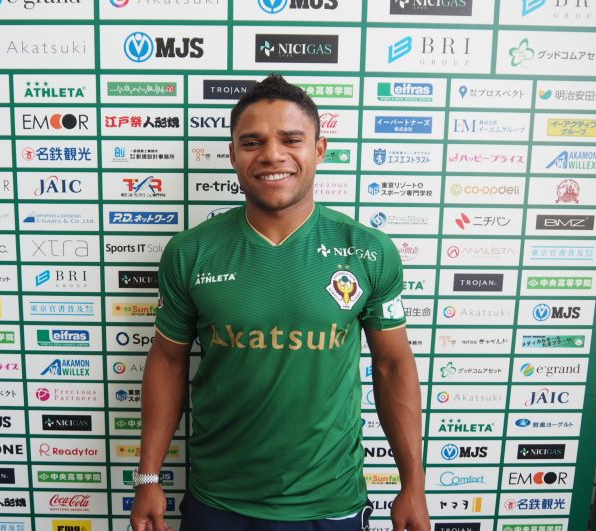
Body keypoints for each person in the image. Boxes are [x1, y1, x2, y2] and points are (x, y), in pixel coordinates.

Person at [130, 74, 430, 531]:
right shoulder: (191, 251)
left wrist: (413, 486)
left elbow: (393, 365)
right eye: (252, 142)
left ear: (319, 149)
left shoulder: (368, 250)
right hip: (218, 499)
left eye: (291, 139)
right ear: (233, 154)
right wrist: (149, 476)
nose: (272, 155)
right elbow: (168, 361)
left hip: (330, 501)